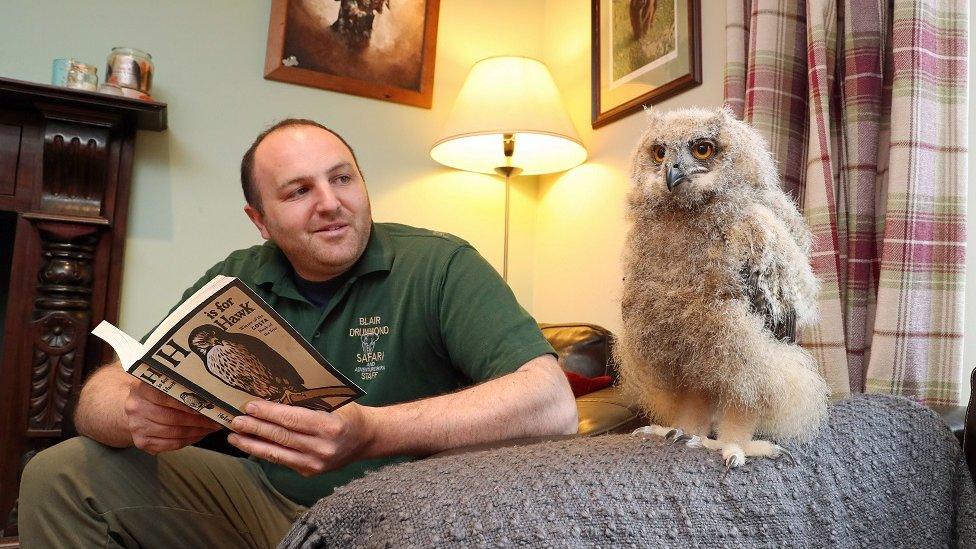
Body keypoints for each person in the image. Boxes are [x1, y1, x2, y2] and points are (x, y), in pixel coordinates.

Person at [18, 119, 578, 548]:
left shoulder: (440, 264)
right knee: (60, 475)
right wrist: (134, 414)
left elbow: (552, 405)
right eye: (298, 191)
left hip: (406, 514)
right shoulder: (237, 276)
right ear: (260, 220)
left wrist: (372, 432)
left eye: (342, 179)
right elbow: (102, 390)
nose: (331, 203)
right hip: (268, 498)